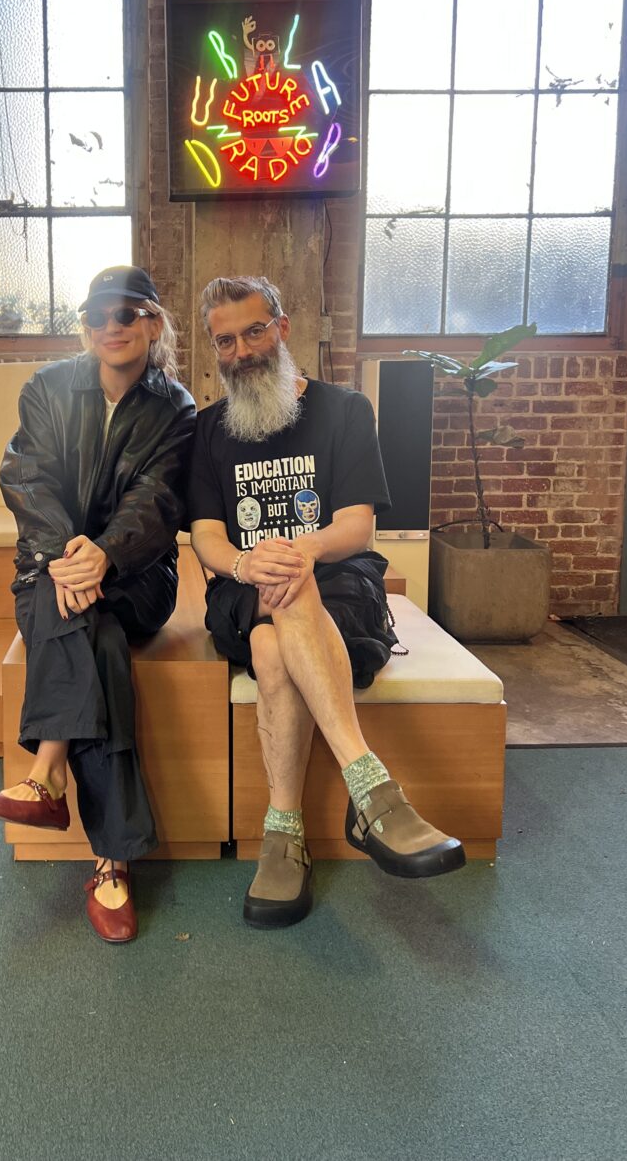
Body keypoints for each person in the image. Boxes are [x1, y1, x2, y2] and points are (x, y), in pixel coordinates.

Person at [187, 275, 464, 930]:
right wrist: (246, 562)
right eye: (225, 341)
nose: (241, 350)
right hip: (243, 586)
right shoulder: (207, 430)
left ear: (283, 328)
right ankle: (372, 793)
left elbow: (356, 526)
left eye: (255, 331)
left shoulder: (345, 410)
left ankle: (283, 834)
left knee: (270, 639)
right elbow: (206, 536)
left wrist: (296, 553)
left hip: (337, 580)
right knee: (274, 603)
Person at [0, 265, 196, 943]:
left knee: (87, 614)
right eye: (96, 315)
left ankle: (45, 773)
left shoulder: (175, 408)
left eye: (125, 314)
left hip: (137, 575)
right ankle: (112, 863)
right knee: (95, 636)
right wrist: (67, 559)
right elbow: (26, 479)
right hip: (50, 568)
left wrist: (104, 555)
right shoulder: (46, 388)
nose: (109, 326)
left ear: (153, 323)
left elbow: (158, 499)